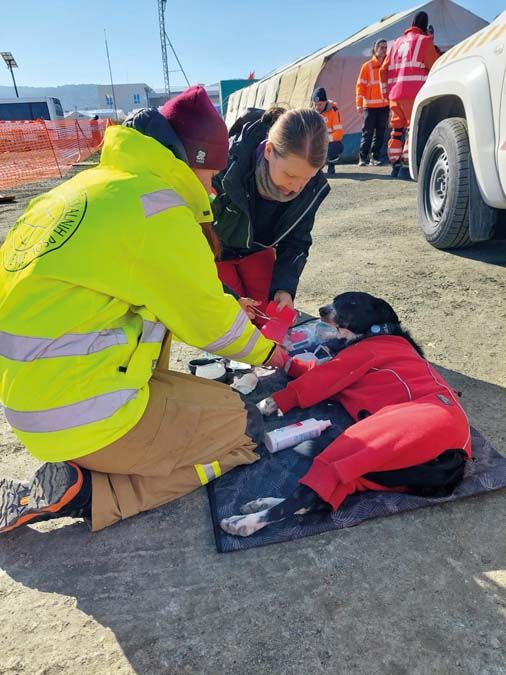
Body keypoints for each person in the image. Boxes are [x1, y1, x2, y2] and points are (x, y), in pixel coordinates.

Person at [0, 86, 288, 534]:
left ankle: (92, 464)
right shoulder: (157, 209)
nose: (212, 192)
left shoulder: (84, 191)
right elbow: (208, 322)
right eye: (211, 177)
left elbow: (158, 289)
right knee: (241, 428)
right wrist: (271, 354)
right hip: (82, 412)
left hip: (38, 398)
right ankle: (91, 494)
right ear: (190, 162)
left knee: (218, 403)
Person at [212, 107, 330, 322]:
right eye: (289, 175)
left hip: (258, 250)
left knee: (270, 317)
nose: (294, 187)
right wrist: (227, 295)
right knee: (230, 320)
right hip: (215, 253)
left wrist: (285, 287)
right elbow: (193, 240)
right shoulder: (223, 166)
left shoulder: (313, 188)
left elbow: (297, 241)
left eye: (305, 179)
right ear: (268, 151)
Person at [380, 11, 440, 178]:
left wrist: (387, 94)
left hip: (394, 97)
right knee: (411, 130)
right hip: (414, 94)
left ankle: (395, 166)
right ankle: (406, 169)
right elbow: (435, 66)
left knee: (396, 132)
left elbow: (383, 70)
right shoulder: (425, 41)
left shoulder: (396, 43)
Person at [355, 39, 390, 166]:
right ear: (375, 49)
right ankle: (362, 158)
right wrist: (359, 104)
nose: (383, 49)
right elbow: (360, 86)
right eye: (381, 47)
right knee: (367, 132)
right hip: (369, 106)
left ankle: (375, 158)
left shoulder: (388, 65)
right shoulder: (367, 66)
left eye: (385, 47)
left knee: (380, 133)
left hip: (384, 106)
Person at [311, 88, 344, 175]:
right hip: (316, 143)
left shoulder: (334, 111)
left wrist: (323, 139)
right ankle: (316, 168)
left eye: (320, 104)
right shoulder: (312, 113)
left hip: (330, 143)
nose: (317, 107)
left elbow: (339, 134)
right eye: (315, 105)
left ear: (326, 102)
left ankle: (331, 166)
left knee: (334, 147)